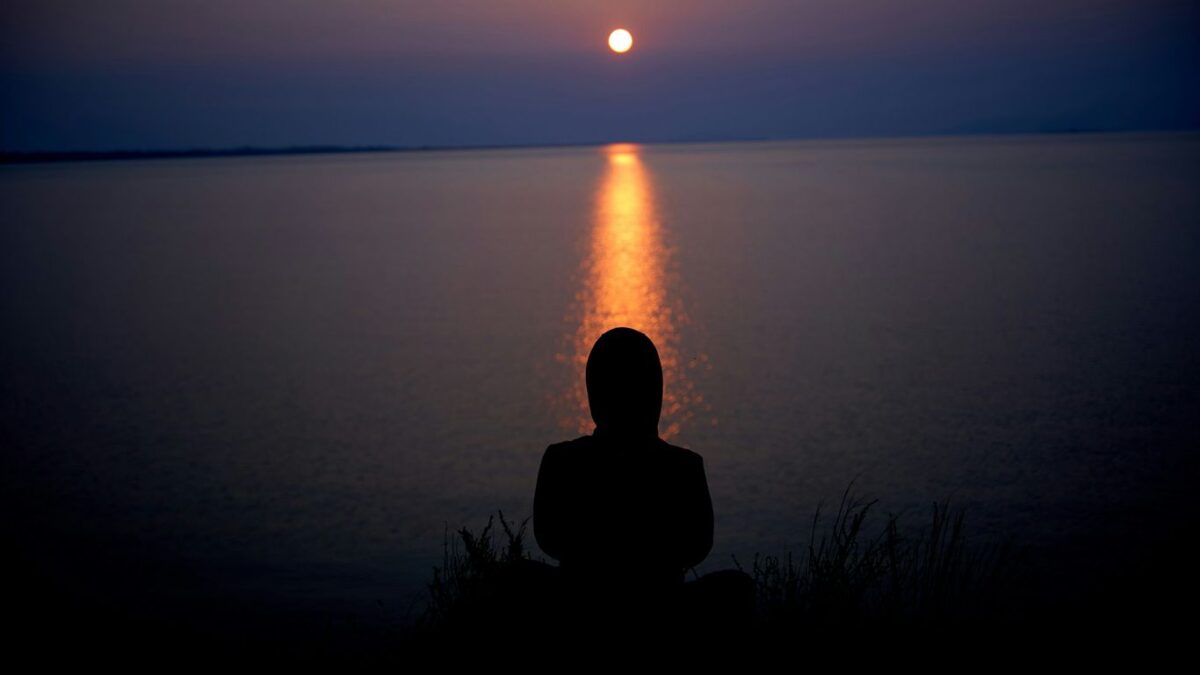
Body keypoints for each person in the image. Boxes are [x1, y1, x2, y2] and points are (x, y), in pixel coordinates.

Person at [533, 327, 752, 633]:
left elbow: (549, 539)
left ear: (594, 393)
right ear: (656, 393)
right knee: (736, 587)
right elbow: (697, 548)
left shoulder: (561, 459)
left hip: (579, 600)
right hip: (662, 604)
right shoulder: (685, 467)